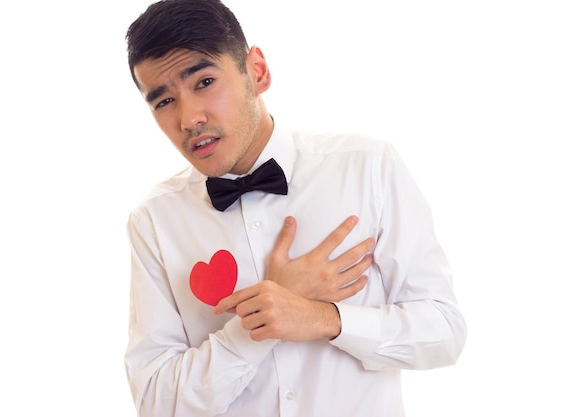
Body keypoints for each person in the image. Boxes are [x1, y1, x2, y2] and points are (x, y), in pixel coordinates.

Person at [123, 0, 467, 416]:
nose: (188, 118)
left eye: (204, 81)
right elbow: (158, 402)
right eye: (163, 102)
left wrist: (326, 319)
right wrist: (255, 328)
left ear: (258, 72)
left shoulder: (366, 167)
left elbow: (445, 332)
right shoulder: (156, 221)